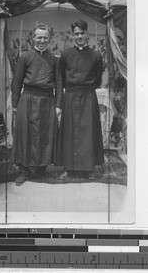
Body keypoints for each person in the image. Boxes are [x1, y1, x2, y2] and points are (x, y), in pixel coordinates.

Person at [11, 23, 62, 186]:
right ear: (34, 38)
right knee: (25, 134)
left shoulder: (54, 59)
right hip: (28, 98)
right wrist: (15, 104)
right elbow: (17, 81)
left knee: (45, 135)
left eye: (45, 38)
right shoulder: (25, 57)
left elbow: (59, 84)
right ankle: (23, 170)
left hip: (47, 100)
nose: (42, 40)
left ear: (49, 39)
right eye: (39, 37)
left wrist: (59, 104)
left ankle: (41, 170)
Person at [56, 19, 104, 178]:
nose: (80, 36)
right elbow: (61, 77)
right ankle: (69, 167)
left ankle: (87, 168)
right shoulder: (65, 55)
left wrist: (85, 89)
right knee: (69, 132)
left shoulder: (96, 56)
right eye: (76, 33)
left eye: (82, 33)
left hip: (88, 97)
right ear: (72, 35)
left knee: (88, 132)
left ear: (87, 34)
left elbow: (97, 80)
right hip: (70, 96)